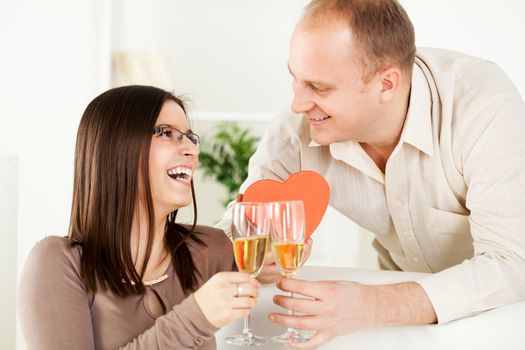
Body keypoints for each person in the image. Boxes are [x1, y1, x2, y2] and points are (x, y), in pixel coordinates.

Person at [216, 0, 525, 348]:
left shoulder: (482, 105)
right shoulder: (296, 132)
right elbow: (237, 229)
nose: (297, 104)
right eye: (295, 79)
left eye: (320, 88)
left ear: (387, 84)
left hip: (506, 320)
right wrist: (241, 259)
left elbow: (512, 262)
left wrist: (374, 304)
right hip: (403, 325)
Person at [18, 85, 261, 349]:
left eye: (191, 138)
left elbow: (266, 261)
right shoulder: (59, 263)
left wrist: (285, 253)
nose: (192, 150)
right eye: (167, 133)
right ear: (116, 148)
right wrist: (194, 319)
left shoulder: (208, 249)